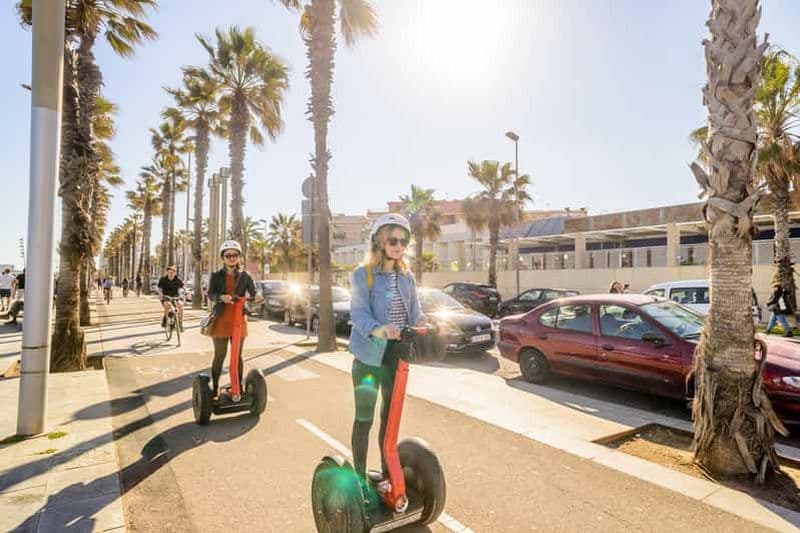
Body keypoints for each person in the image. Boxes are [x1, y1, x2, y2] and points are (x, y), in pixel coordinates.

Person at [348, 213, 427, 495]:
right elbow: (357, 313)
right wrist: (380, 330)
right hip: (369, 354)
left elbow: (415, 311)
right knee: (365, 417)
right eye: (393, 239)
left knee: (389, 418)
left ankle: (384, 472)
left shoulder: (406, 277)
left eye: (403, 240)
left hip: (397, 355)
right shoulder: (363, 274)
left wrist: (424, 324)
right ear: (380, 242)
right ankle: (357, 476)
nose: (399, 245)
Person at [206, 240, 262, 399]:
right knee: (220, 355)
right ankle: (215, 387)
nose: (231, 258)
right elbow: (210, 294)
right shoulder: (216, 276)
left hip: (239, 320)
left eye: (235, 255)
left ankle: (238, 387)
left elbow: (253, 291)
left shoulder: (246, 276)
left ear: (239, 257)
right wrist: (220, 297)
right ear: (223, 258)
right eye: (228, 255)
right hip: (221, 320)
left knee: (237, 355)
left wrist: (257, 296)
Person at [157, 266, 185, 331]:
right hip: (166, 297)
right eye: (169, 272)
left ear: (175, 273)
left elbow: (183, 286)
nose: (171, 274)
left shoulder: (178, 280)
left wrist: (186, 291)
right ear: (167, 272)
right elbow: (159, 288)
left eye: (172, 272)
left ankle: (180, 323)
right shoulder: (163, 279)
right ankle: (165, 319)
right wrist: (160, 294)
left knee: (181, 306)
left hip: (175, 297)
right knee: (168, 305)